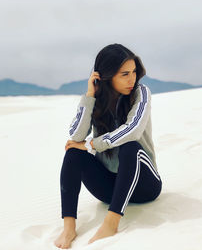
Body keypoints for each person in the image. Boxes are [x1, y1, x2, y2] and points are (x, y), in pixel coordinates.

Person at [54, 43, 162, 249]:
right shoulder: (96, 99)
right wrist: (90, 96)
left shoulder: (141, 93)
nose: (132, 79)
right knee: (73, 153)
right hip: (109, 189)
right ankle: (69, 227)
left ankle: (111, 222)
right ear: (107, 76)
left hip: (144, 185)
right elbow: (76, 135)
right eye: (124, 74)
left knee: (130, 146)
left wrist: (94, 144)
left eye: (133, 72)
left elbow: (134, 130)